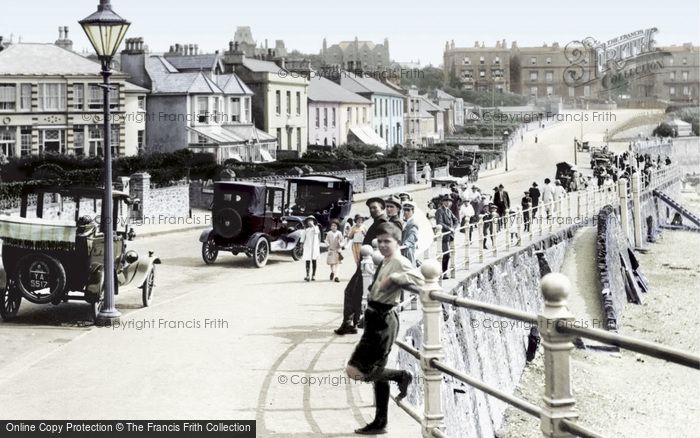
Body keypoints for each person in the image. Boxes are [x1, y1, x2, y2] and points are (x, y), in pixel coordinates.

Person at [346, 222, 421, 435]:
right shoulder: (387, 259)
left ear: (398, 242)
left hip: (384, 319)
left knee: (356, 370)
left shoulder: (400, 261)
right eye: (380, 242)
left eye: (387, 241)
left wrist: (397, 279)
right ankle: (380, 422)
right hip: (375, 316)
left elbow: (423, 281)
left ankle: (400, 376)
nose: (383, 245)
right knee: (377, 373)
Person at [335, 198, 389, 335]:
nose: (372, 210)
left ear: (382, 208)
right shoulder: (377, 222)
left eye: (375, 208)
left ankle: (350, 323)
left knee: (351, 291)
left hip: (369, 264)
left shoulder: (382, 224)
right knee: (357, 292)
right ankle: (353, 322)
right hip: (366, 263)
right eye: (370, 208)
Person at [435, 195, 458, 279]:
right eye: (446, 201)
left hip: (450, 235)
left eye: (449, 201)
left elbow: (456, 220)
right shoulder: (439, 211)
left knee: (448, 254)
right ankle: (443, 273)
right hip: (443, 235)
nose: (448, 202)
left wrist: (453, 228)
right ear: (443, 202)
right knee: (446, 255)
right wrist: (449, 228)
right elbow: (440, 222)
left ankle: (444, 272)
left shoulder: (449, 211)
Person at [300, 216, 321, 281]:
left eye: (311, 220)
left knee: (314, 261)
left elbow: (317, 232)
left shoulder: (316, 228)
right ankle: (307, 275)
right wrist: (301, 246)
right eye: (308, 221)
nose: (310, 222)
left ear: (314, 221)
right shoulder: (306, 230)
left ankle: (313, 275)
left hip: (314, 247)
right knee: (307, 261)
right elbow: (302, 239)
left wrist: (313, 226)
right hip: (307, 247)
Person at [400, 201, 418, 266]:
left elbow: (413, 235)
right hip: (402, 250)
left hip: (408, 250)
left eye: (408, 210)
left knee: (410, 267)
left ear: (412, 211)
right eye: (404, 210)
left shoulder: (413, 224)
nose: (406, 212)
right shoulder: (403, 222)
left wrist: (406, 243)